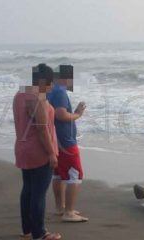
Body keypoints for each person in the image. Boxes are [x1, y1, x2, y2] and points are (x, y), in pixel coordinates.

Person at [13, 64, 61, 240]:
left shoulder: (19, 94)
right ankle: (40, 233)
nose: (52, 86)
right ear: (46, 81)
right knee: (39, 193)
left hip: (22, 147)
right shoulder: (37, 98)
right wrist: (50, 153)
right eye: (51, 83)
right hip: (38, 150)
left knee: (28, 190)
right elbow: (41, 129)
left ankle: (27, 230)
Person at [47, 65, 88, 222]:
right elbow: (61, 115)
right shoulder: (60, 92)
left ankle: (60, 208)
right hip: (65, 140)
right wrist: (78, 113)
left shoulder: (50, 90)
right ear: (66, 78)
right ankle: (68, 212)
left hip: (55, 138)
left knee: (58, 174)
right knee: (75, 174)